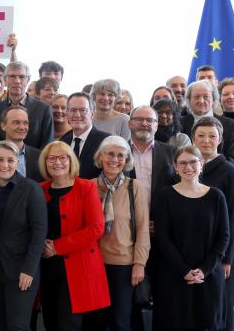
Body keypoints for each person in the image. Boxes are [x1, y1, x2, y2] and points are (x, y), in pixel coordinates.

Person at [150, 146, 229, 330]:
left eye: (193, 162)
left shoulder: (216, 196)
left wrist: (203, 270)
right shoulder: (164, 195)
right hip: (173, 276)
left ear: (201, 164)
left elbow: (223, 237)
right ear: (175, 167)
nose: (188, 167)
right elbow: (162, 237)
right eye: (182, 163)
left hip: (208, 277)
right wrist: (184, 270)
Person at [36, 141, 110, 330]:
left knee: (68, 324)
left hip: (77, 267)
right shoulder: (39, 188)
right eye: (51, 158)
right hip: (46, 267)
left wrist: (57, 247)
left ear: (71, 161)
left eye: (63, 157)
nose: (57, 162)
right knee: (50, 321)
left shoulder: (86, 187)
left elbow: (96, 228)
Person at [0, 141, 47, 331]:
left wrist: (29, 269)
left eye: (10, 160)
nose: (4, 165)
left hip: (21, 270)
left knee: (18, 326)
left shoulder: (31, 189)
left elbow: (39, 232)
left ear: (17, 162)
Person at [85, 136, 152, 331]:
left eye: (120, 155)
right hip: (93, 263)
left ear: (126, 160)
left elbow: (142, 228)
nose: (115, 159)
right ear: (101, 157)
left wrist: (139, 264)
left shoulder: (134, 187)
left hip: (124, 265)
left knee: (120, 322)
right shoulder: (88, 186)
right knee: (94, 322)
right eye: (110, 154)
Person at [192, 116, 234, 328]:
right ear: (193, 138)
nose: (206, 140)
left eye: (212, 136)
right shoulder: (187, 168)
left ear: (221, 139)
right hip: (192, 252)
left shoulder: (231, 173)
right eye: (201, 136)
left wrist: (227, 258)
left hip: (220, 255)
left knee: (219, 312)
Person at [0, 61, 54, 149]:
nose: (17, 81)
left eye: (22, 77)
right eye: (12, 76)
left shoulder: (43, 110)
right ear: (5, 80)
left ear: (28, 80)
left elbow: (47, 146)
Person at [179, 81, 234, 163]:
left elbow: (232, 160)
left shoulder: (231, 125)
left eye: (206, 97)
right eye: (196, 97)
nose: (201, 101)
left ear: (214, 100)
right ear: (189, 100)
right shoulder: (179, 123)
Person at [126, 107, 178, 200]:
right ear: (129, 124)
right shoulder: (120, 152)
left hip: (162, 211)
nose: (144, 123)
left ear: (156, 126)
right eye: (139, 119)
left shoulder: (172, 152)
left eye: (149, 120)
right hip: (127, 212)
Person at [61, 93, 114, 179]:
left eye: (82, 110)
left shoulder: (107, 141)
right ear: (67, 114)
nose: (77, 115)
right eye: (73, 110)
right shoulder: (63, 141)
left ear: (92, 114)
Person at [0, 106, 43, 182]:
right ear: (3, 126)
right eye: (16, 122)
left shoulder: (39, 156)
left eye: (25, 123)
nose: (22, 127)